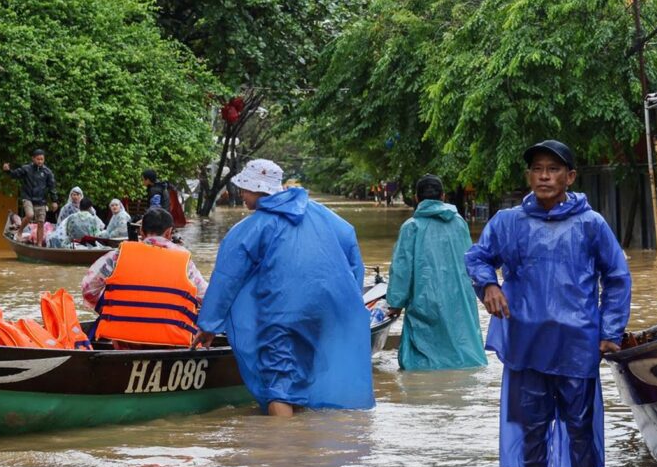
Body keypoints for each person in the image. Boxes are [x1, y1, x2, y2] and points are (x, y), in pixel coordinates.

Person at [465, 140, 631, 467]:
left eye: (553, 169)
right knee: (532, 430)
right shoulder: (508, 222)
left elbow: (616, 276)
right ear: (528, 176)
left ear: (569, 177)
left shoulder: (591, 224)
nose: (544, 177)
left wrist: (610, 332)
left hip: (577, 344)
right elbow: (478, 257)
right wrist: (489, 286)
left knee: (580, 429)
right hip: (527, 343)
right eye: (537, 170)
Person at [193, 159, 374, 415]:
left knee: (278, 381)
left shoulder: (252, 228)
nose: (241, 195)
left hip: (281, 312)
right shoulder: (322, 215)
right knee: (302, 373)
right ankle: (303, 443)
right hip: (322, 311)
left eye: (245, 189)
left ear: (259, 190)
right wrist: (349, 300)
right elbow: (351, 249)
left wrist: (209, 324)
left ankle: (282, 449)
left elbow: (227, 278)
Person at [386, 174, 487, 371]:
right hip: (459, 299)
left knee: (424, 358)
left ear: (416, 198)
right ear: (443, 196)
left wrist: (395, 303)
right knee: (462, 347)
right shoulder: (459, 223)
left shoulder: (411, 227)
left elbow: (401, 269)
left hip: (425, 300)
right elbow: (470, 262)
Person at [81, 208, 207, 347]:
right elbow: (207, 298)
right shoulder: (184, 260)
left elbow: (88, 289)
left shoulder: (118, 256)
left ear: (141, 231)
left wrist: (111, 308)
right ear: (169, 232)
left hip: (126, 344)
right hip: (172, 343)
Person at [3, 149, 59, 247]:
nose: (40, 161)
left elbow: (52, 187)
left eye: (42, 159)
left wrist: (54, 201)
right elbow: (15, 174)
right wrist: (8, 171)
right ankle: (19, 232)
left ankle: (39, 245)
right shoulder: (26, 169)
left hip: (41, 200)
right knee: (29, 215)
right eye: (38, 159)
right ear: (33, 159)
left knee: (41, 223)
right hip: (28, 197)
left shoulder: (47, 172)